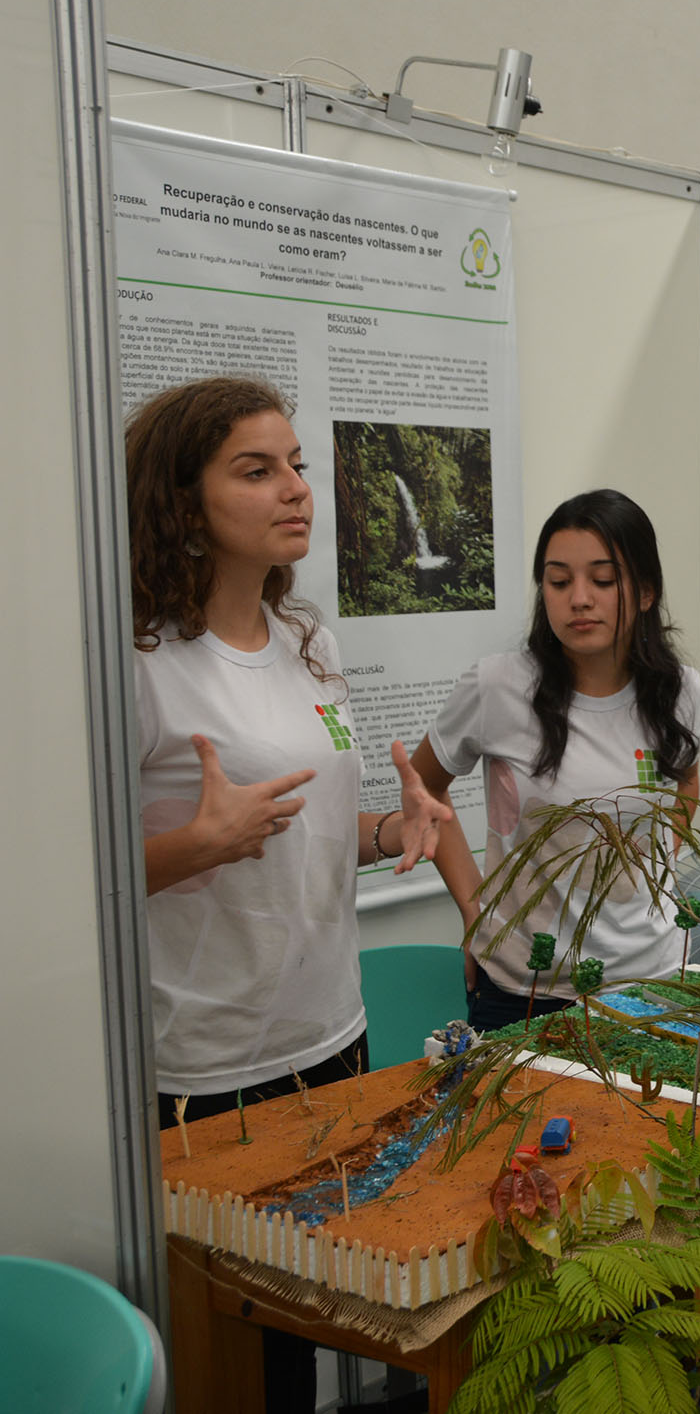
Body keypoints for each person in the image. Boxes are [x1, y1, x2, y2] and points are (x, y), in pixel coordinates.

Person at [127, 375, 450, 1409]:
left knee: (307, 1329)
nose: (296, 489)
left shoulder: (311, 641)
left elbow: (311, 830)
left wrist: (393, 829)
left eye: (297, 466)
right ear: (184, 501)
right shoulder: (141, 663)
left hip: (330, 1039)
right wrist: (196, 845)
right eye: (256, 470)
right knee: (236, 1364)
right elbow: (68, 880)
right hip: (204, 1065)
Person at [411, 490, 700, 1031]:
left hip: (654, 976)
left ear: (645, 591)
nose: (579, 599)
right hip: (528, 985)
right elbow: (423, 788)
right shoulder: (497, 685)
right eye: (559, 581)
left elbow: (687, 781)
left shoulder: (680, 689)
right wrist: (473, 909)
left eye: (603, 579)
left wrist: (658, 863)